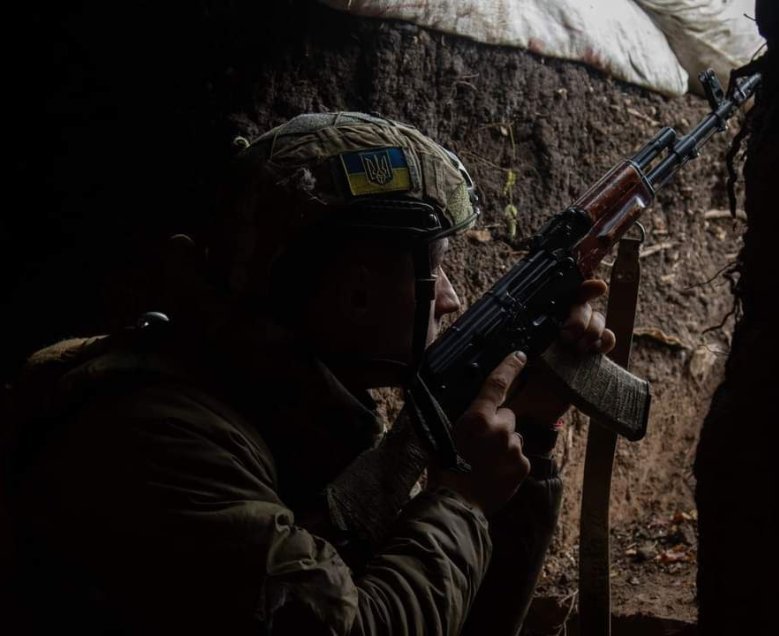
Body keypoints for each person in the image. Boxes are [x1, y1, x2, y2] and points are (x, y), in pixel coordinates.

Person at [3, 111, 614, 635]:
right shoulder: (157, 437)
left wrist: (527, 427)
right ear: (354, 294)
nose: (452, 299)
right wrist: (462, 501)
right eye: (436, 270)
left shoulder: (273, 405)